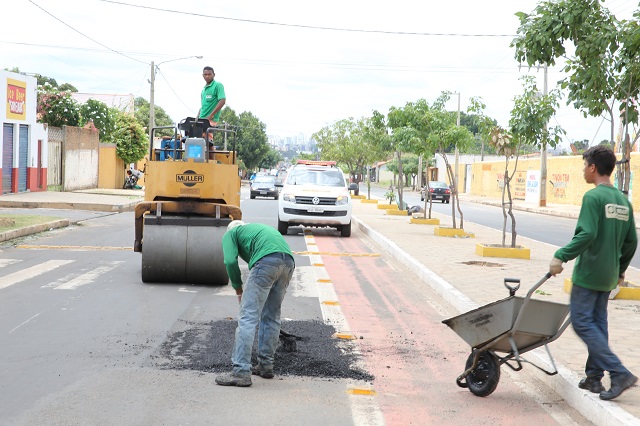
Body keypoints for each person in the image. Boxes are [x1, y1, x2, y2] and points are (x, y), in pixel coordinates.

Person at [549, 145, 637, 401]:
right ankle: (594, 378)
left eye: (584, 165)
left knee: (582, 322)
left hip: (588, 274)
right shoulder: (623, 200)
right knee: (597, 324)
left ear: (593, 167)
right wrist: (620, 270)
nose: (583, 170)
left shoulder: (593, 197)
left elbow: (586, 234)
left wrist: (561, 256)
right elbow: (632, 241)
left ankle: (619, 373)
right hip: (608, 276)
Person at [216, 220, 295, 387]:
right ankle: (266, 366)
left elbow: (230, 261)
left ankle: (241, 372)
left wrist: (238, 288)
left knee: (248, 317)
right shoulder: (256, 231)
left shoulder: (231, 233)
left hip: (266, 262)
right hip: (288, 262)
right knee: (272, 316)